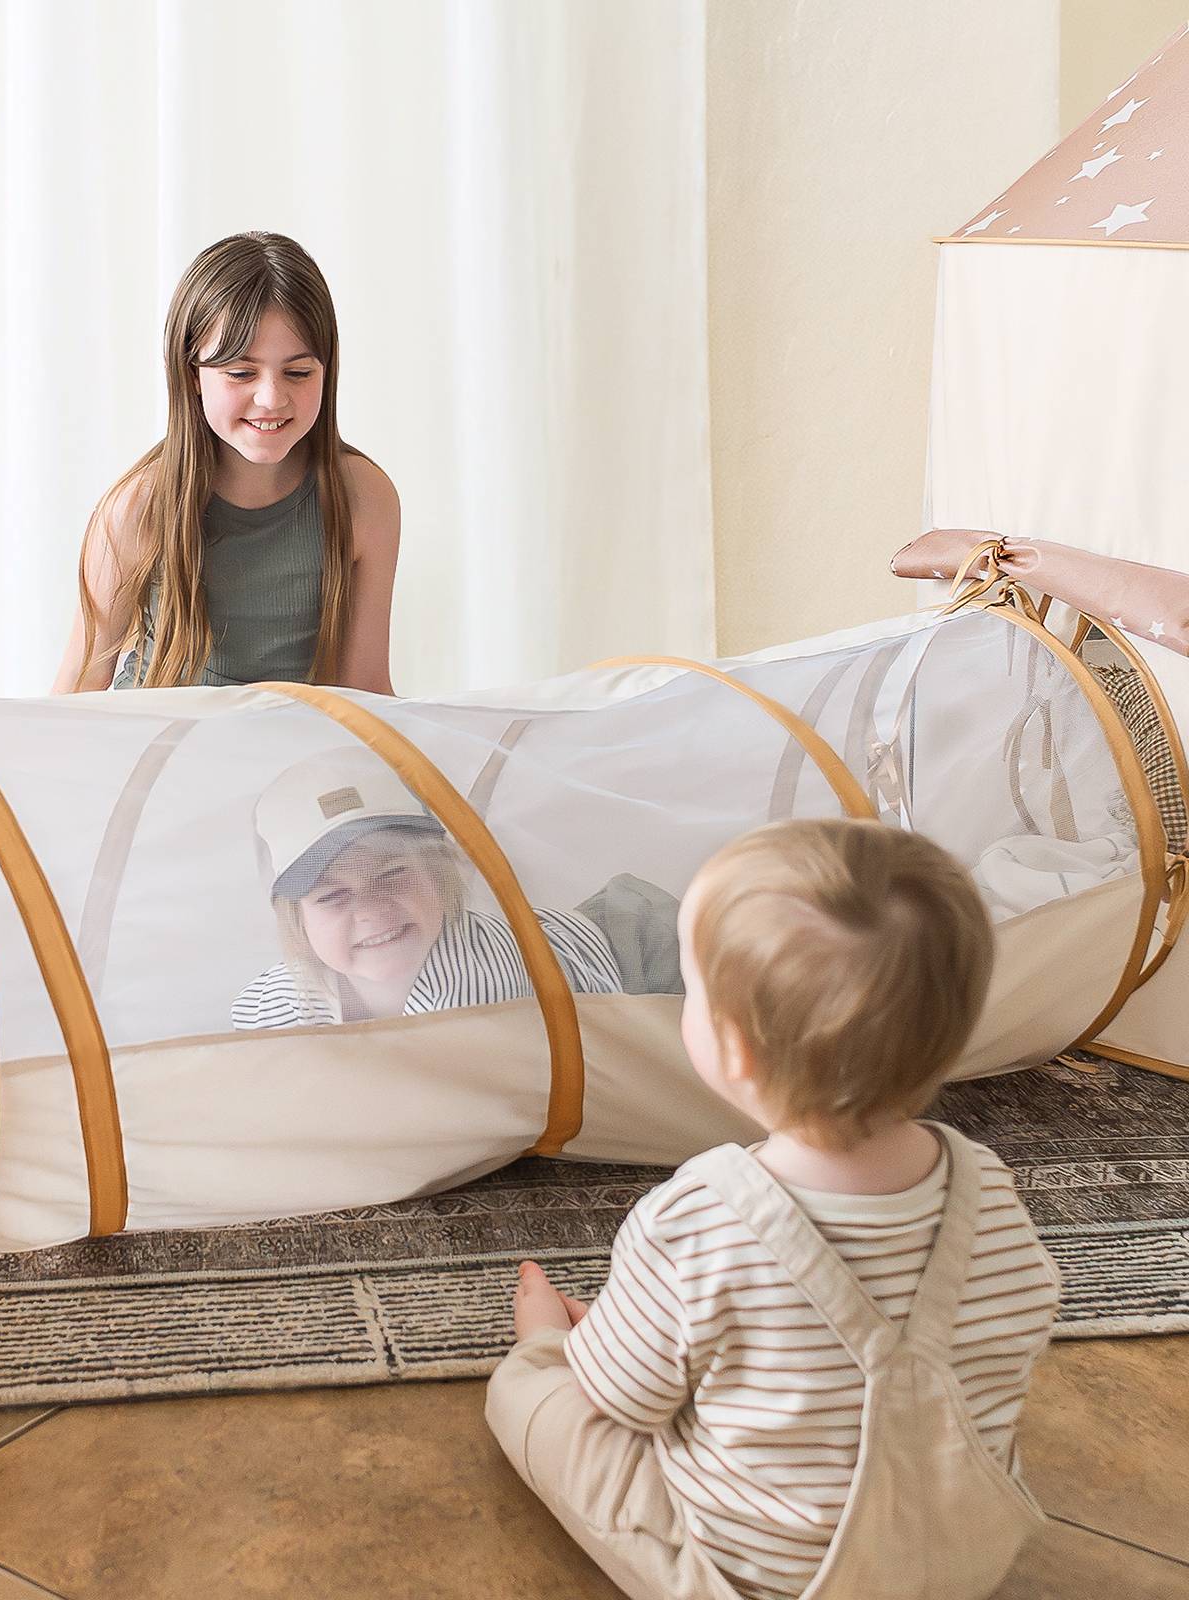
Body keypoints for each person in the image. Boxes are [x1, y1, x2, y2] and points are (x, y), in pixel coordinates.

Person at [486, 818, 1060, 1600]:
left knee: (540, 1401)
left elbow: (623, 1403)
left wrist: (563, 1347)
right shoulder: (990, 1186)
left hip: (765, 1578)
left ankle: (540, 1350)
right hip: (962, 1556)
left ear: (734, 1052)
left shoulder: (698, 1215)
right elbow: (1014, 1333)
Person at [52, 231, 399, 695]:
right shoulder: (137, 508)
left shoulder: (365, 498)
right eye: (240, 372)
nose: (272, 398)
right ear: (191, 373)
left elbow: (369, 691)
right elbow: (76, 697)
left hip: (290, 760)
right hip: (161, 756)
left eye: (298, 372)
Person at [231, 746, 631, 1028]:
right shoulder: (282, 1001)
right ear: (297, 922)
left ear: (438, 875)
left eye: (392, 874)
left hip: (631, 948)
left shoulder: (480, 985)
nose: (371, 910)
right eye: (332, 896)